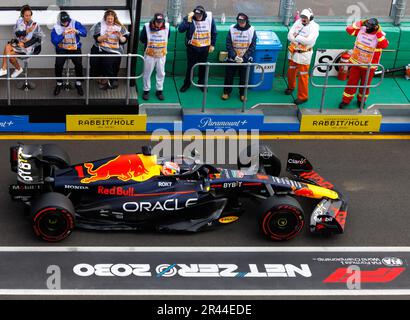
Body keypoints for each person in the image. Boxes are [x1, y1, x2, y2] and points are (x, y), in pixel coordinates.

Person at [339, 18, 389, 109]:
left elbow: (384, 45)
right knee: (351, 83)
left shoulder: (379, 36)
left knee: (365, 85)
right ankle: (346, 100)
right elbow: (349, 30)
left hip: (369, 67)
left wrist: (378, 32)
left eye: (369, 27)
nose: (367, 28)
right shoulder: (361, 30)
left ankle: (361, 100)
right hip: (356, 64)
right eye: (366, 25)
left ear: (375, 27)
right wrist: (360, 22)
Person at [178, 5, 217, 92]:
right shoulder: (189, 18)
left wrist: (212, 44)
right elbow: (180, 29)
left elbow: (214, 32)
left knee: (202, 67)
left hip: (204, 48)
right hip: (192, 48)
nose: (198, 17)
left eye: (199, 15)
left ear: (203, 14)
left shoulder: (209, 18)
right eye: (196, 15)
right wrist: (188, 20)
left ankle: (201, 83)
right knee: (190, 67)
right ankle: (187, 84)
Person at [285, 8, 319, 105]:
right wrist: (300, 39)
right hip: (293, 52)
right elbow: (289, 36)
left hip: (304, 55)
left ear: (310, 18)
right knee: (291, 71)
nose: (303, 19)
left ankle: (303, 97)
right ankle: (291, 87)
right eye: (302, 17)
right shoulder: (298, 22)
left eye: (305, 17)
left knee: (303, 76)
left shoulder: (315, 27)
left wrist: (296, 37)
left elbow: (309, 41)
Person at [90, 9, 129, 90]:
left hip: (114, 49)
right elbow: (97, 39)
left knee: (107, 62)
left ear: (114, 19)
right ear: (105, 18)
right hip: (100, 47)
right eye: (108, 19)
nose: (110, 21)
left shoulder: (119, 27)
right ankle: (98, 77)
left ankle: (111, 79)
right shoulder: (100, 25)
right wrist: (106, 35)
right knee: (94, 60)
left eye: (112, 19)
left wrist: (120, 37)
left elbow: (124, 40)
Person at [0, 5, 43, 78]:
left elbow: (38, 38)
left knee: (9, 54)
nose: (28, 17)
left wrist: (24, 44)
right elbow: (17, 33)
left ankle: (17, 69)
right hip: (19, 45)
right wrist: (26, 31)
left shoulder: (35, 25)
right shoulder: (19, 22)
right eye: (26, 15)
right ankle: (5, 69)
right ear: (22, 15)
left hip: (29, 48)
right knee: (8, 48)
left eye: (30, 15)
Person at [221, 13, 256, 102]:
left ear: (246, 21)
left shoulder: (252, 30)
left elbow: (253, 46)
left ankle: (242, 94)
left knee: (244, 77)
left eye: (243, 21)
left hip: (244, 59)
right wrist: (234, 56)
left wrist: (244, 58)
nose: (241, 23)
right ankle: (226, 92)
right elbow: (228, 44)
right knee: (229, 76)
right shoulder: (232, 28)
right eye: (239, 21)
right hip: (232, 58)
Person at [51, 11, 87, 96]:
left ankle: (78, 83)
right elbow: (54, 41)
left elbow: (85, 33)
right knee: (58, 65)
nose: (65, 23)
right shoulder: (56, 27)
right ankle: (59, 83)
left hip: (74, 48)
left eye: (67, 21)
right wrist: (62, 35)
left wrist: (76, 31)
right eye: (63, 22)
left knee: (78, 64)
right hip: (62, 49)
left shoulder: (75, 23)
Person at [140, 13, 170, 101]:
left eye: (161, 22)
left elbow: (168, 37)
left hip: (161, 55)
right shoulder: (146, 27)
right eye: (157, 22)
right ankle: (146, 90)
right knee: (147, 72)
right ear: (154, 20)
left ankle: (159, 90)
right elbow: (142, 39)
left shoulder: (167, 27)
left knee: (161, 73)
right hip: (150, 55)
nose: (159, 24)